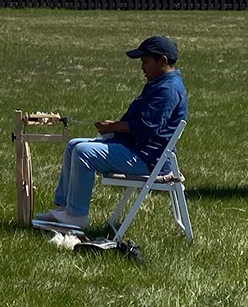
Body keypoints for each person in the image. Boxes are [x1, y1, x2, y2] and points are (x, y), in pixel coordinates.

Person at [36, 35, 188, 233]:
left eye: (145, 61)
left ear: (163, 61)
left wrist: (113, 127)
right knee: (74, 145)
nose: (142, 67)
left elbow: (146, 127)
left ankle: (76, 216)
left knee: (84, 152)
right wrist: (114, 128)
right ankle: (63, 208)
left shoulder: (168, 89)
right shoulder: (160, 83)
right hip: (138, 150)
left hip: (149, 160)